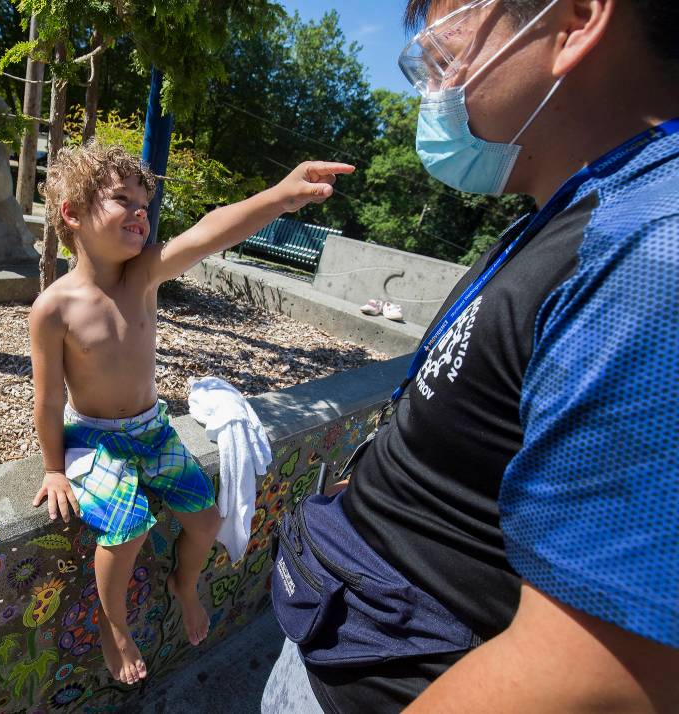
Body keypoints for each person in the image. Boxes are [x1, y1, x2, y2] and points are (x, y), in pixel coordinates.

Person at [266, 1, 679, 711]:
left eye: (444, 43)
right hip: (340, 636)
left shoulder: (652, 253)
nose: (432, 83)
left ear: (576, 19)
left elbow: (602, 673)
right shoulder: (577, 213)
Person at [30, 141, 352, 686]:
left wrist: (278, 196)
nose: (140, 213)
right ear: (73, 214)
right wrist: (54, 468)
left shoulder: (144, 276)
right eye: (122, 200)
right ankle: (115, 625)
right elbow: (47, 399)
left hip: (151, 429)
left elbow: (209, 231)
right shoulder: (54, 308)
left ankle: (184, 583)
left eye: (144, 204)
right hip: (94, 437)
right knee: (127, 528)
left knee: (206, 520)